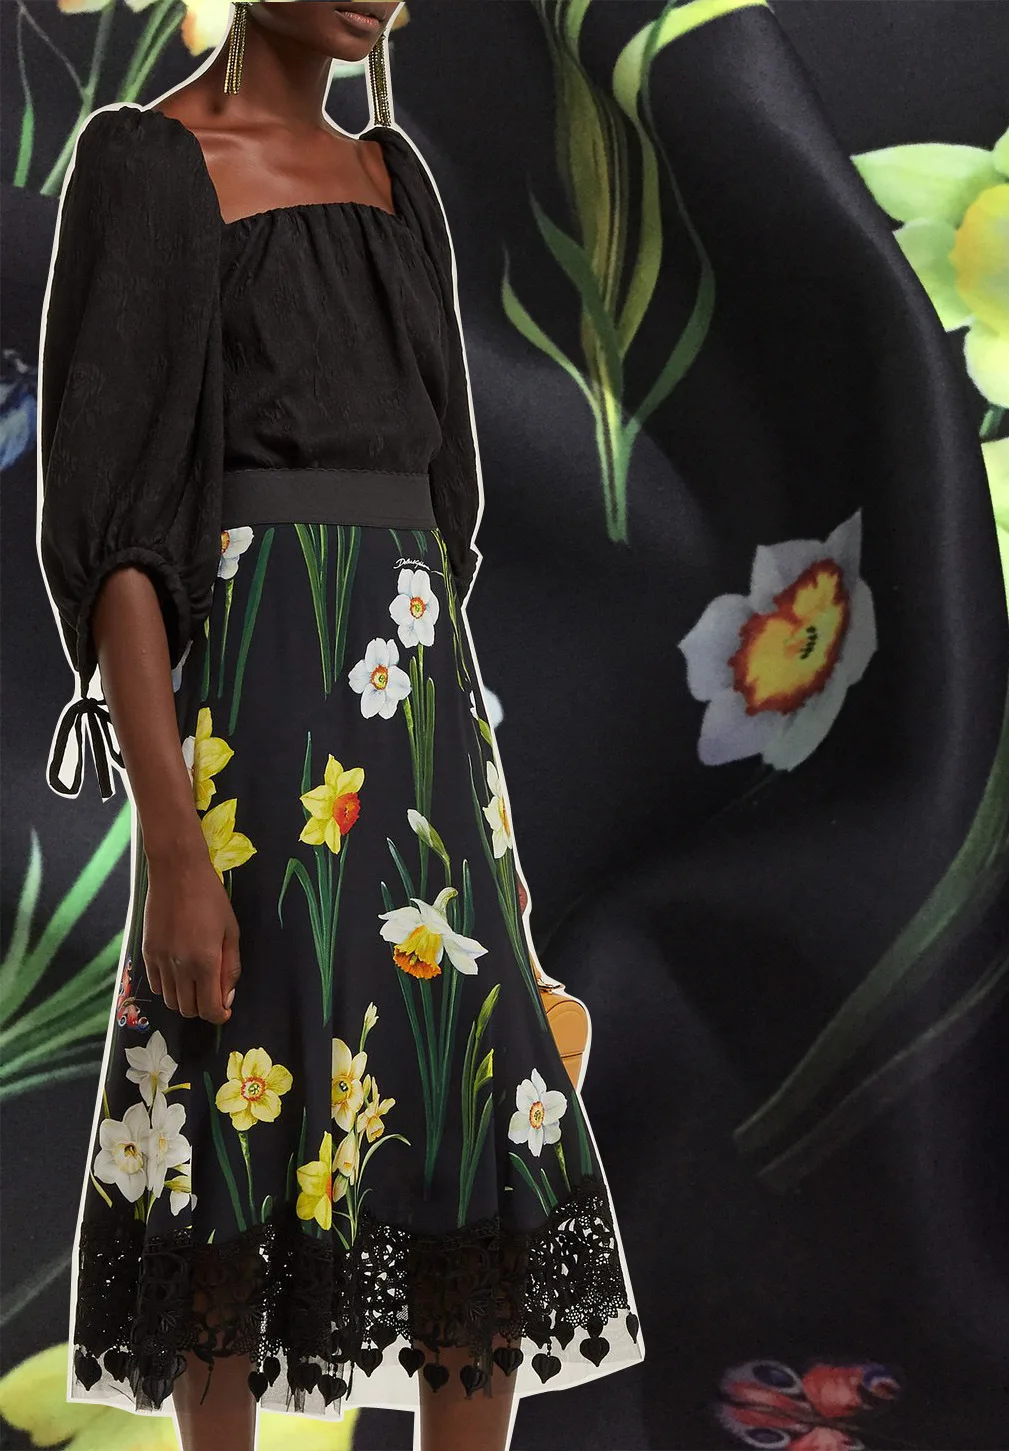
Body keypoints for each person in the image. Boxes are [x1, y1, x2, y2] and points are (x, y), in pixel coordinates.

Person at [34, 5, 644, 1450]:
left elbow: (444, 522)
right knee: (228, 1133)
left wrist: (486, 819)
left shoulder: (394, 178)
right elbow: (119, 544)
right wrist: (172, 850)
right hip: (253, 721)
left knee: (467, 1126)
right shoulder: (146, 165)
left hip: (420, 708)